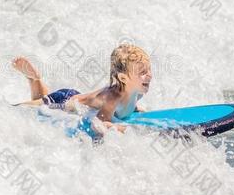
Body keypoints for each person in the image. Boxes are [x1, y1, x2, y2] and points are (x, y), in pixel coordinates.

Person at [12, 44, 152, 137]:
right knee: (24, 109)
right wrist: (126, 129)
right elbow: (100, 125)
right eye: (142, 72)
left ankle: (34, 80)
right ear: (123, 78)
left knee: (42, 104)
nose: (149, 75)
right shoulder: (112, 98)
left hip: (77, 99)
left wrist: (136, 110)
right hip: (65, 100)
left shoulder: (137, 90)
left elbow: (128, 105)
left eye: (148, 69)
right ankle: (32, 80)